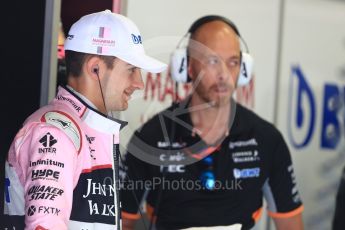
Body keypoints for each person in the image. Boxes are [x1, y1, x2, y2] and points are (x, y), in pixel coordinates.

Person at [120, 15, 304, 230]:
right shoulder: (150, 138)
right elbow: (121, 222)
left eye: (233, 62)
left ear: (243, 71)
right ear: (187, 66)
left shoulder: (266, 140)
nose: (224, 74)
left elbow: (291, 224)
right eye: (212, 61)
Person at [2, 9, 166, 230]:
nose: (139, 83)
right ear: (95, 68)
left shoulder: (91, 128)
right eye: (132, 69)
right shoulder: (55, 132)